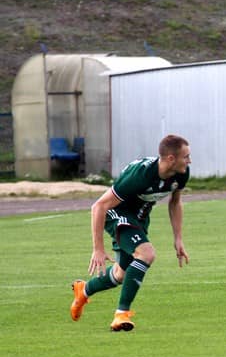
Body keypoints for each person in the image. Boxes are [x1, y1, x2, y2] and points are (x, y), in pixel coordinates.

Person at [70, 134, 192, 331]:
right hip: (116, 213)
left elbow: (175, 202)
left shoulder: (181, 173)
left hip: (139, 218)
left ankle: (83, 290)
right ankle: (121, 315)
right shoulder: (140, 175)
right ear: (171, 159)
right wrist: (98, 249)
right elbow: (99, 206)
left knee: (121, 274)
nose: (189, 161)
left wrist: (178, 238)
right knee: (146, 253)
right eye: (186, 156)